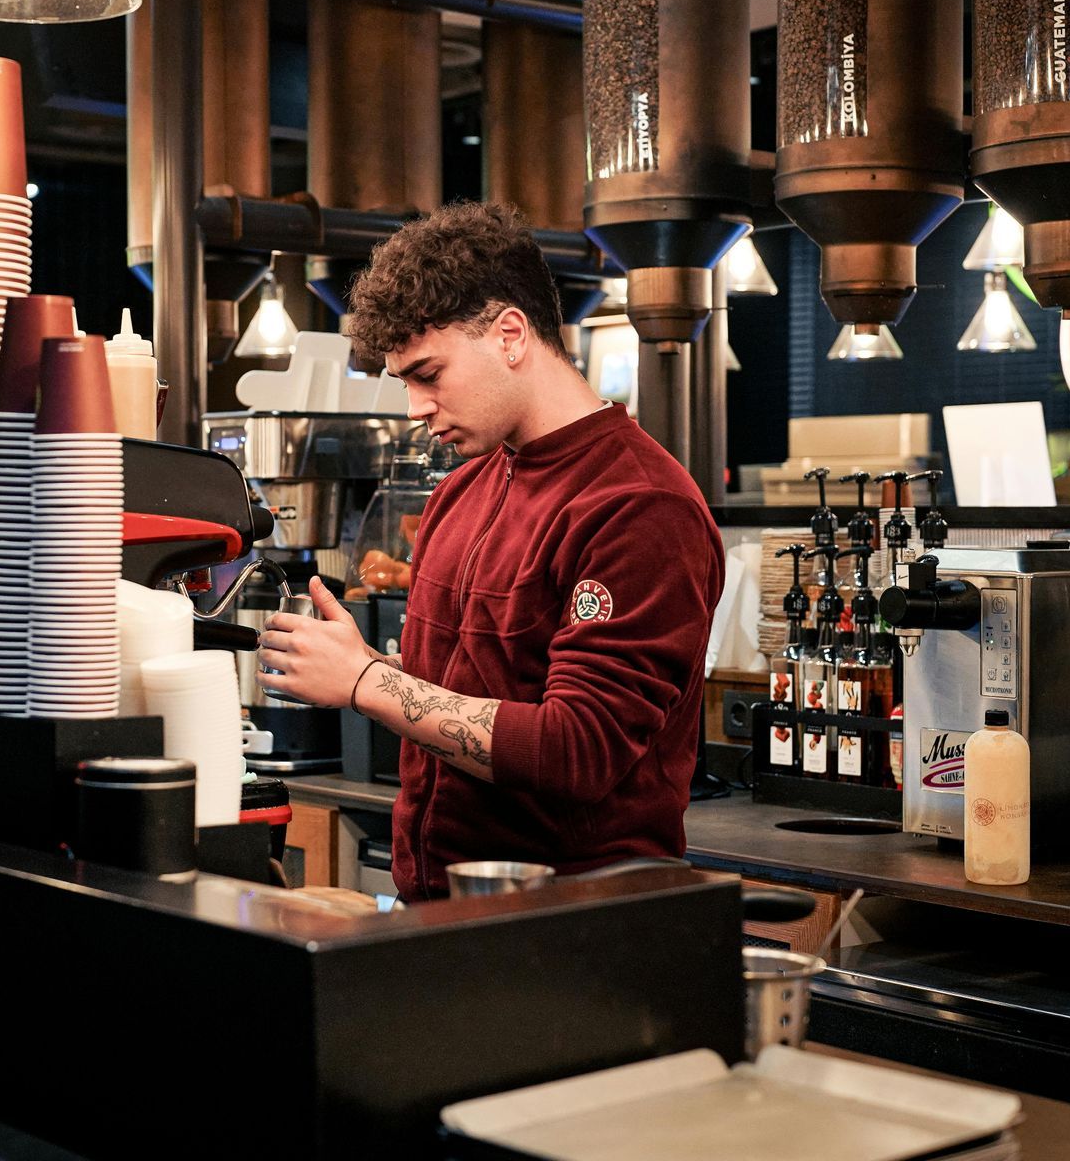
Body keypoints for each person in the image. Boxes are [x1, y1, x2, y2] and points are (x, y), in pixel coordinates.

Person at [255, 201, 726, 901]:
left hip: (572, 931)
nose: (414, 408)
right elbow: (469, 690)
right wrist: (374, 663)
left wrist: (366, 682)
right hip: (445, 912)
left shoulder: (639, 506)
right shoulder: (462, 491)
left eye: (429, 373)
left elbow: (578, 749)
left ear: (510, 334)